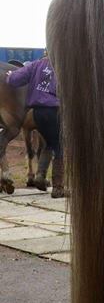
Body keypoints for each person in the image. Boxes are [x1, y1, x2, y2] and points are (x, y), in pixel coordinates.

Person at [5, 51, 65, 198]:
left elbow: (13, 80)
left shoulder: (35, 65)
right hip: (54, 111)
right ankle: (58, 187)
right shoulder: (62, 67)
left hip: (37, 113)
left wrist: (9, 75)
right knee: (59, 147)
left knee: (49, 144)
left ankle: (40, 176)